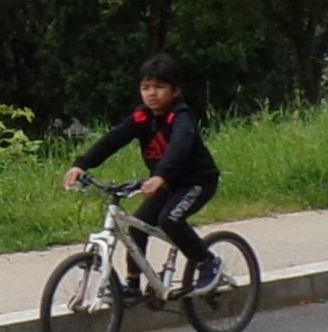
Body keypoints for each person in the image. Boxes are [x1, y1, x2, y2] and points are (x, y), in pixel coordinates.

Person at [63, 52, 223, 294]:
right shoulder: (142, 118)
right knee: (137, 226)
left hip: (196, 182)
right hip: (166, 184)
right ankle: (133, 284)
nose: (151, 93)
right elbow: (113, 140)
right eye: (145, 87)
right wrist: (82, 164)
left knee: (169, 220)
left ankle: (208, 262)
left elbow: (179, 147)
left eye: (159, 87)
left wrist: (160, 176)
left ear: (175, 91)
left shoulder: (180, 117)